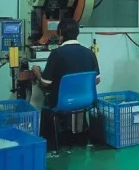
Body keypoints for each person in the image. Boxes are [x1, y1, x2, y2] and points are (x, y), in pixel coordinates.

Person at [32, 18, 100, 152]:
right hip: (86, 101)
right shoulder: (90, 53)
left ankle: (48, 142)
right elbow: (96, 80)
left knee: (41, 95)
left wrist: (36, 72)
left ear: (60, 34)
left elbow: (45, 83)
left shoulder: (56, 54)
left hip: (62, 103)